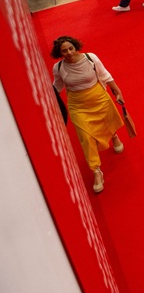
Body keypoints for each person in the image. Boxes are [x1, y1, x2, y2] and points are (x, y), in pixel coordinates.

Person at [51, 36, 126, 193]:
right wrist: (48, 101)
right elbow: (57, 86)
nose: (69, 52)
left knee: (107, 121)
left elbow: (104, 75)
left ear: (76, 47)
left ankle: (113, 135)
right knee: (86, 137)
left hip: (98, 97)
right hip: (77, 106)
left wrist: (117, 91)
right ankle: (96, 171)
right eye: (64, 51)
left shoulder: (90, 58)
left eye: (71, 48)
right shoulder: (58, 68)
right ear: (59, 53)